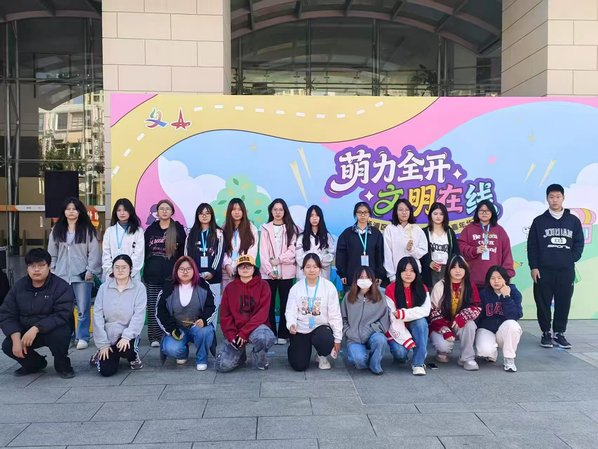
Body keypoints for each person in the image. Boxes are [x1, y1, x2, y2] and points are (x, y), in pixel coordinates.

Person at [0, 248, 75, 378]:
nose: (36, 270)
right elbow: (7, 314)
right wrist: (15, 338)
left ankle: (62, 365)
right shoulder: (19, 287)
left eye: (41, 265)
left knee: (60, 334)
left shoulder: (61, 286)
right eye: (32, 266)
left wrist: (36, 328)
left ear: (49, 266)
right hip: (25, 329)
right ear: (27, 268)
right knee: (8, 345)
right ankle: (35, 364)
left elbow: (62, 314)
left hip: (52, 329)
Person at [528, 183, 584, 349]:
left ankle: (559, 333)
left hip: (566, 271)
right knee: (542, 302)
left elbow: (579, 243)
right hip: (543, 270)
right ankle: (546, 333)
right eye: (551, 197)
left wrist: (570, 258)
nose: (555, 200)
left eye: (558, 196)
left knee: (563, 302)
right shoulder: (539, 221)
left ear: (563, 198)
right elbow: (532, 246)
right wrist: (534, 267)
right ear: (547, 199)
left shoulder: (573, 221)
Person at [48, 196, 101, 350]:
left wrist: (91, 270)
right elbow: (52, 252)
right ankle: (68, 336)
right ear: (64, 211)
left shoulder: (87, 230)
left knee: (83, 308)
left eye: (74, 209)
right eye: (68, 209)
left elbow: (94, 253)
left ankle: (83, 336)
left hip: (82, 275)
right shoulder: (56, 230)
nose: (71, 212)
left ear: (79, 212)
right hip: (62, 275)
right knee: (65, 309)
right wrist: (53, 269)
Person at [216, 255, 276, 372]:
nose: (245, 268)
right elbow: (225, 316)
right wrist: (232, 336)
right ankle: (240, 355)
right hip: (236, 330)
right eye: (241, 266)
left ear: (254, 269)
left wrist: (244, 333)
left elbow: (262, 315)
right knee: (222, 366)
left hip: (257, 328)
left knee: (264, 337)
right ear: (237, 270)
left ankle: (259, 355)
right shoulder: (230, 288)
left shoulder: (264, 286)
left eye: (248, 266)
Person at [156, 256, 216, 370]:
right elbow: (160, 311)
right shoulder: (168, 286)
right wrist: (172, 329)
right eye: (181, 269)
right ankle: (182, 353)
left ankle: (202, 358)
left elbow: (211, 306)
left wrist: (204, 320)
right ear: (176, 270)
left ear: (194, 270)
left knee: (206, 332)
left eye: (188, 269)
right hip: (177, 328)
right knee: (171, 349)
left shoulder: (203, 285)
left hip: (197, 327)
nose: (185, 272)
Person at [92, 255, 146, 377]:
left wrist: (126, 337)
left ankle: (132, 356)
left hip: (127, 334)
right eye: (117, 267)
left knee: (126, 350)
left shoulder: (139, 288)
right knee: (106, 371)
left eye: (124, 267)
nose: (120, 270)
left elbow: (139, 315)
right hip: (108, 335)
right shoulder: (104, 288)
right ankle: (101, 353)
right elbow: (97, 316)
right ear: (112, 269)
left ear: (130, 269)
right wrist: (103, 344)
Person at [285, 254, 342, 371]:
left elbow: (335, 315)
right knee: (299, 365)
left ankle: (321, 355)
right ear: (302, 269)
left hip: (321, 327)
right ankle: (296, 348)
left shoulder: (329, 287)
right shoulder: (296, 288)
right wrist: (291, 324)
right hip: (301, 328)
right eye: (308, 267)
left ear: (320, 269)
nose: (311, 270)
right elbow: (290, 310)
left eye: (315, 267)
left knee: (325, 340)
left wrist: (337, 339)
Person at [143, 198, 186, 347]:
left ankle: (170, 334)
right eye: (161, 208)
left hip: (171, 276)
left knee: (170, 307)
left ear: (172, 212)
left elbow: (183, 254)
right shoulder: (150, 230)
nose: (164, 211)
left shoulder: (178, 229)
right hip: (152, 275)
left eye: (167, 209)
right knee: (152, 306)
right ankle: (154, 337)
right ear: (157, 212)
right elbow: (144, 252)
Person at [429, 255, 481, 371]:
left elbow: (476, 306)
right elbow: (433, 311)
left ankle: (467, 358)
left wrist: (462, 317)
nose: (458, 271)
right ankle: (442, 352)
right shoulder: (440, 286)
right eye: (454, 267)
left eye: (461, 267)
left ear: (466, 269)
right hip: (442, 324)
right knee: (443, 347)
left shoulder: (470, 285)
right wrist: (444, 329)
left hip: (459, 324)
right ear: (448, 269)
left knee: (470, 325)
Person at [260, 198, 299, 345]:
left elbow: (293, 250)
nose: (278, 212)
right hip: (268, 274)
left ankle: (283, 333)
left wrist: (279, 260)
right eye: (275, 209)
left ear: (285, 211)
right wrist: (269, 270)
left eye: (281, 209)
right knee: (268, 304)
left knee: (286, 304)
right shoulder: (265, 228)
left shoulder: (292, 228)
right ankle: (270, 333)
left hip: (286, 273)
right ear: (271, 211)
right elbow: (263, 253)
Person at [384, 256, 431, 376]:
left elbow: (426, 310)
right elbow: (392, 317)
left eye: (412, 270)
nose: (408, 274)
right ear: (399, 272)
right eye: (405, 270)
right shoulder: (390, 289)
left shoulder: (423, 288)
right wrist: (407, 341)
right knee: (400, 353)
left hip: (415, 325)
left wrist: (403, 313)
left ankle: (418, 363)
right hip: (397, 327)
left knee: (421, 322)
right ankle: (408, 353)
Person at [341, 266, 389, 375]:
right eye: (361, 277)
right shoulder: (349, 296)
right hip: (354, 337)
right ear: (356, 280)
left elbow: (384, 319)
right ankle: (363, 359)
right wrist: (348, 331)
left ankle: (375, 364)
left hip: (373, 333)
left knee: (380, 340)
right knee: (358, 359)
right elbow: (342, 318)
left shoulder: (380, 297)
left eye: (367, 277)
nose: (364, 280)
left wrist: (372, 329)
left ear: (372, 279)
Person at [458, 200, 515, 290]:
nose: (484, 213)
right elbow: (460, 247)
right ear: (477, 212)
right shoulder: (468, 229)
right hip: (473, 280)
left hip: (495, 281)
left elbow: (506, 253)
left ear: (492, 212)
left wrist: (507, 274)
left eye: (487, 210)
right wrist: (474, 250)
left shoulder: (499, 230)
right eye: (481, 210)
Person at [476, 265, 523, 373]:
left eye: (499, 278)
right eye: (492, 278)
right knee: (484, 351)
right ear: (488, 280)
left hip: (504, 331)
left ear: (505, 279)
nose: (496, 281)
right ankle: (492, 352)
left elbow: (514, 316)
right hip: (488, 329)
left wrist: (506, 296)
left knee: (513, 325)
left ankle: (509, 359)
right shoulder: (484, 293)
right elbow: (479, 316)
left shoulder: (514, 292)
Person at [336, 202, 385, 290]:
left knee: (371, 298)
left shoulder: (376, 233)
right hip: (351, 276)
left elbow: (380, 255)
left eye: (365, 212)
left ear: (369, 214)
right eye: (359, 212)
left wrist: (379, 274)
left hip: (371, 276)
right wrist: (342, 274)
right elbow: (341, 254)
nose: (362, 215)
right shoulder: (347, 233)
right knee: (351, 298)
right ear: (355, 214)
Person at [185, 203, 224, 309]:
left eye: (207, 213)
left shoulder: (218, 233)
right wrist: (192, 272)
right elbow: (186, 255)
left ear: (212, 215)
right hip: (195, 277)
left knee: (213, 307)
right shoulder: (191, 233)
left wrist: (212, 271)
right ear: (197, 216)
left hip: (213, 277)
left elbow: (219, 254)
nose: (204, 216)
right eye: (201, 213)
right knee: (196, 308)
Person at [383, 199, 428, 282]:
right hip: (396, 274)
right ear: (396, 212)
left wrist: (412, 250)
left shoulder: (416, 229)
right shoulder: (390, 229)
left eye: (407, 210)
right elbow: (387, 254)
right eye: (400, 210)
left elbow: (423, 250)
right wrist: (391, 275)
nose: (404, 212)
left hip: (414, 274)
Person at [102, 198, 145, 280]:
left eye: (125, 210)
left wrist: (128, 272)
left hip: (132, 276)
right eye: (119, 210)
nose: (122, 213)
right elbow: (106, 254)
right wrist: (111, 271)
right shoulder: (109, 231)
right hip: (112, 276)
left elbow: (138, 255)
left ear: (130, 211)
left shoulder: (138, 231)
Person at [420, 202, 460, 289]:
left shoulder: (450, 232)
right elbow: (420, 252)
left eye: (441, 214)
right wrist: (430, 263)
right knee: (431, 293)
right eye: (435, 214)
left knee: (446, 293)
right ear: (430, 215)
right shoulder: (424, 232)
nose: (438, 216)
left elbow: (456, 252)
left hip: (447, 270)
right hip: (430, 271)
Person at [221, 198, 258, 289]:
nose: (237, 212)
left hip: (244, 271)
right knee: (227, 295)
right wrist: (227, 265)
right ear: (229, 211)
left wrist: (240, 266)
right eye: (234, 209)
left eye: (239, 209)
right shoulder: (224, 228)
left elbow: (252, 251)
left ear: (243, 211)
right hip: (227, 272)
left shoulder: (252, 229)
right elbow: (222, 250)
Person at [296, 205, 336, 280]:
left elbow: (332, 254)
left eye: (317, 215)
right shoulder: (301, 237)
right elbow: (298, 258)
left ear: (320, 218)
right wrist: (309, 265)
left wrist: (319, 261)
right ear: (308, 218)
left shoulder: (326, 236)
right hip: (304, 275)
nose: (314, 218)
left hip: (322, 274)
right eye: (312, 215)